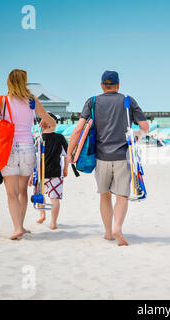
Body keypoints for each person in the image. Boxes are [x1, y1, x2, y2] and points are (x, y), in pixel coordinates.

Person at [67, 70, 149, 246]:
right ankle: (117, 227)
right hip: (123, 156)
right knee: (122, 196)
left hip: (101, 157)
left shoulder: (92, 102)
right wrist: (137, 136)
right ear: (118, 85)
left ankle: (107, 233)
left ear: (102, 85)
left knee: (104, 195)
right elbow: (144, 126)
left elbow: (78, 130)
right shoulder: (128, 100)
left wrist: (70, 153)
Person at [0, 69, 56, 240]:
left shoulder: (1, 101)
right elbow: (51, 123)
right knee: (22, 191)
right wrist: (47, 126)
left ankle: (17, 228)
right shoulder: (32, 100)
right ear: (24, 81)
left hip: (7, 149)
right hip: (28, 149)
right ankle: (21, 227)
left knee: (11, 193)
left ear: (8, 82)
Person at [33, 112, 69, 230]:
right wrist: (65, 168)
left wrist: (31, 175)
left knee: (40, 194)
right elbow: (66, 155)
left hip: (40, 173)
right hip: (56, 173)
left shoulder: (38, 139)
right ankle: (53, 222)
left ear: (41, 125)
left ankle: (42, 215)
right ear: (54, 125)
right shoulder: (60, 138)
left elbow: (34, 159)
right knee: (54, 198)